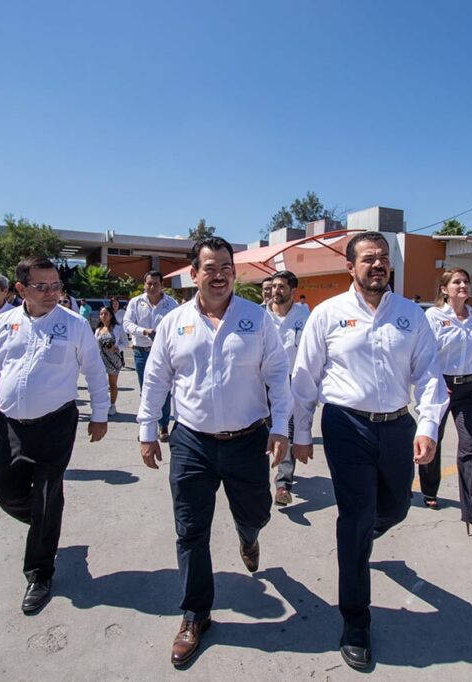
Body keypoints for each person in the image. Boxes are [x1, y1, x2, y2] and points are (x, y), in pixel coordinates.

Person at [290, 231, 448, 670]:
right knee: (355, 520)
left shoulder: (410, 315)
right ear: (350, 267)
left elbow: (429, 374)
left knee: (396, 508)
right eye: (369, 259)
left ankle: (365, 536)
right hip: (346, 425)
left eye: (383, 258)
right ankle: (355, 621)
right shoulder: (328, 314)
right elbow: (305, 377)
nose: (378, 265)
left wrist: (428, 425)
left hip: (397, 426)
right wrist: (301, 431)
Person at [137, 236, 291, 668]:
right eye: (210, 267)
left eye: (226, 267)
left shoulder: (257, 320)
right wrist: (147, 430)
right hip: (191, 441)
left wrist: (281, 427)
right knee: (190, 530)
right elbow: (156, 379)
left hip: (247, 440)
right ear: (194, 274)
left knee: (256, 512)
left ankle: (248, 536)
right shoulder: (174, 323)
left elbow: (278, 376)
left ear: (234, 273)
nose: (220, 274)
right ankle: (195, 614)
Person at [0, 257, 110, 614]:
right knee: (2, 487)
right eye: (41, 286)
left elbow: (95, 371)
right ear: (20, 289)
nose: (51, 292)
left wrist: (100, 414)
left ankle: (39, 574)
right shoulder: (4, 324)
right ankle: (45, 523)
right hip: (7, 423)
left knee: (45, 495)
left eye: (56, 285)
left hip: (54, 425)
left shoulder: (74, 325)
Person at [419, 268, 472, 539]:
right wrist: (436, 382)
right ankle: (429, 489)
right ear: (444, 289)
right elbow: (426, 355)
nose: (463, 286)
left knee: (470, 450)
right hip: (442, 386)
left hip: (470, 389)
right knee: (432, 441)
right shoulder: (434, 317)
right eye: (457, 282)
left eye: (466, 282)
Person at [264, 270, 310, 507]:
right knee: (260, 430)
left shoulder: (305, 316)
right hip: (261, 381)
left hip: (291, 381)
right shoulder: (260, 316)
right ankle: (257, 477)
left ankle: (283, 484)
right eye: (273, 286)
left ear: (293, 291)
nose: (276, 291)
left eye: (281, 287)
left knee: (287, 430)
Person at [123, 270, 178, 441]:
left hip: (163, 353)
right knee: (146, 390)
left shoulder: (171, 304)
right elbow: (127, 324)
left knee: (164, 390)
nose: (152, 287)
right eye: (149, 283)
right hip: (141, 351)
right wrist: (143, 331)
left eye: (156, 284)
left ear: (162, 285)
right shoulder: (136, 302)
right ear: (144, 284)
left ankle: (163, 425)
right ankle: (147, 427)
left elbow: (177, 326)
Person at [94, 306, 127, 416]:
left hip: (113, 360)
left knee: (112, 384)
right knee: (101, 385)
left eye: (106, 314)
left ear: (111, 315)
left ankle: (112, 405)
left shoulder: (118, 328)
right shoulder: (98, 330)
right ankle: (103, 404)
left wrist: (117, 348)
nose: (103, 316)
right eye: (101, 314)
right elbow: (94, 345)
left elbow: (125, 343)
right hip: (100, 360)